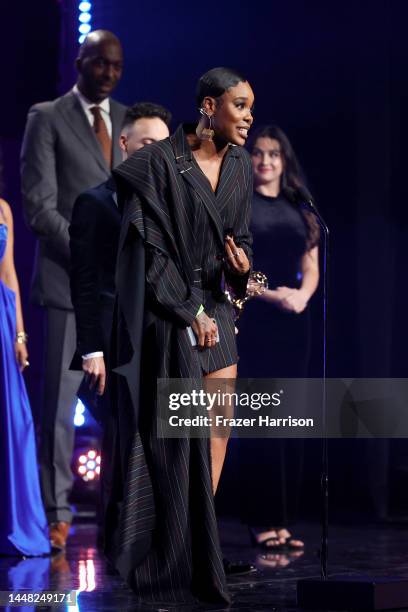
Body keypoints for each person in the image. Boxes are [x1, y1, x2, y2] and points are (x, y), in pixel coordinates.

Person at [106, 67, 254, 604]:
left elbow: (244, 240)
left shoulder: (238, 166)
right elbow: (152, 248)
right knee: (173, 443)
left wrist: (241, 267)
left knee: (217, 433)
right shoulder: (160, 161)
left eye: (251, 108)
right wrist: (189, 309)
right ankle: (167, 550)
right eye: (241, 106)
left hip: (218, 307)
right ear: (209, 107)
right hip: (171, 309)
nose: (249, 118)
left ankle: (198, 543)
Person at [20, 30, 126, 551]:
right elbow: (39, 208)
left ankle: (124, 509)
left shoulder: (129, 120)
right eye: (99, 63)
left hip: (122, 292)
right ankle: (56, 513)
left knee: (123, 407)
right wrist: (91, 255)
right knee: (60, 408)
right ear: (80, 62)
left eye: (116, 66)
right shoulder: (47, 116)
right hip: (67, 285)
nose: (107, 73)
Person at [69, 102, 171, 536]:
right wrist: (91, 348)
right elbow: (85, 280)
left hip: (160, 338)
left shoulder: (169, 205)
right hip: (111, 345)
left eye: (164, 146)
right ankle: (117, 541)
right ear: (125, 143)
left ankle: (161, 541)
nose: (157, 153)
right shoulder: (95, 202)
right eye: (148, 143)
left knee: (160, 442)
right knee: (120, 442)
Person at [237, 125, 320, 550]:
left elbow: (311, 263)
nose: (266, 160)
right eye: (259, 153)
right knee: (261, 422)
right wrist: (274, 295)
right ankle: (260, 519)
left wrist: (301, 297)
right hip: (255, 318)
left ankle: (284, 520)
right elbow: (231, 267)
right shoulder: (239, 204)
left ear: (284, 161)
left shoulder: (299, 205)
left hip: (294, 323)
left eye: (274, 154)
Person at [0, 180, 50, 556]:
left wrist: (19, 334)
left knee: (13, 422)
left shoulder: (2, 208)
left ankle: (14, 524)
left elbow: (9, 274)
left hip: (1, 323)